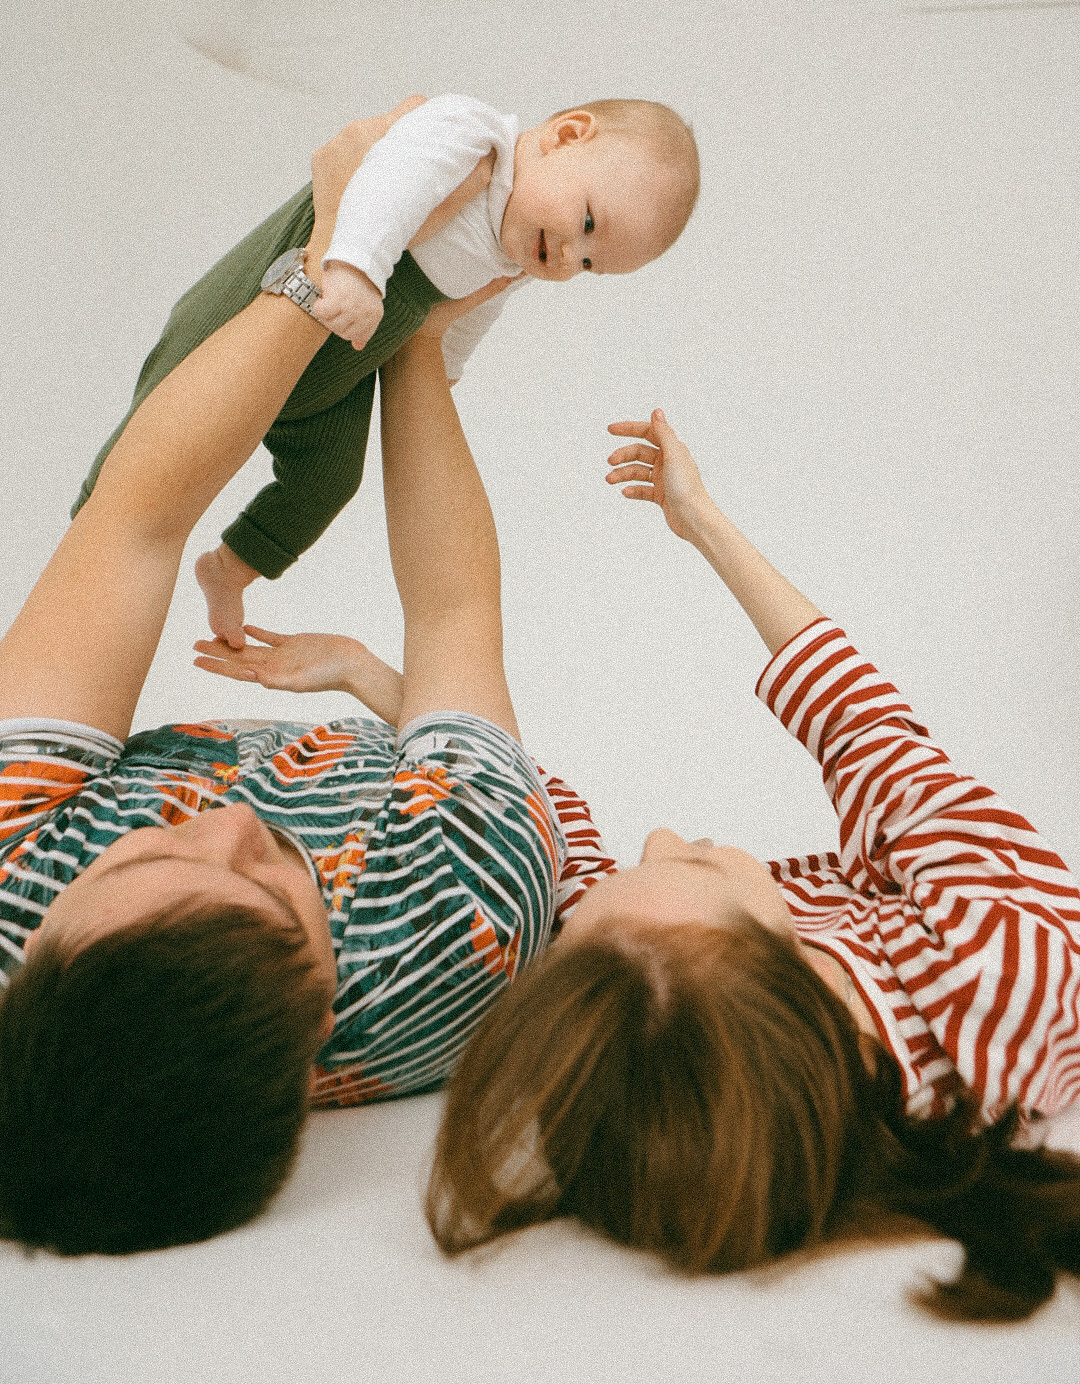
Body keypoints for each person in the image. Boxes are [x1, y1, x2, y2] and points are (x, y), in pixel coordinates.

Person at [0, 104, 609, 1257]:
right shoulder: (456, 909)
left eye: (160, 852)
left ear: (49, 933)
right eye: (271, 888)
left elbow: (136, 520)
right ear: (323, 1011)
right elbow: (453, 613)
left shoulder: (9, 874)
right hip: (423, 790)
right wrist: (416, 332)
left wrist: (326, 257)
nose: (228, 823)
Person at [425, 410, 1080, 1323]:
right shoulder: (1005, 972)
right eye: (696, 865)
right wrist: (706, 522)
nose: (659, 836)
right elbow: (875, 742)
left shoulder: (634, 1021)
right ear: (784, 969)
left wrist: (407, 699)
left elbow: (551, 836)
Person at [72, 92, 700, 648]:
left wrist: (444, 375)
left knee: (330, 481)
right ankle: (87, 533)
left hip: (333, 375)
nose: (568, 256)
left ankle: (231, 565)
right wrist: (356, 270)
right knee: (154, 434)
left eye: (590, 264)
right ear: (565, 135)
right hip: (271, 294)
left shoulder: (514, 255)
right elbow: (383, 184)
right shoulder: (473, 138)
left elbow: (463, 319)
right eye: (587, 223)